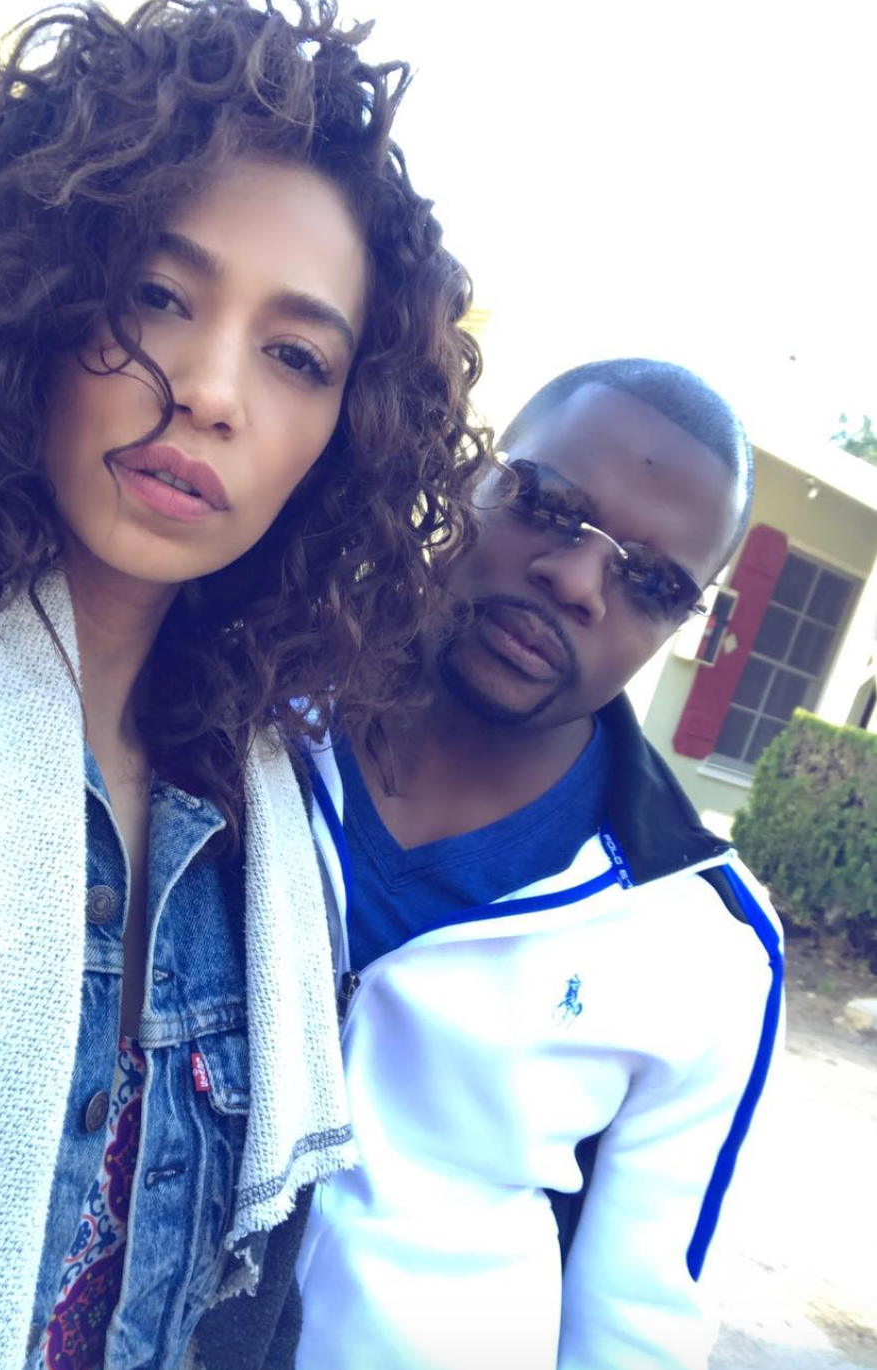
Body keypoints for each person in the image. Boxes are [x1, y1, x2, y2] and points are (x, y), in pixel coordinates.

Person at [0, 4, 488, 1368]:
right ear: (30, 285)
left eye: (295, 356)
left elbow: (245, 1315)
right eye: (159, 294)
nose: (210, 390)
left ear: (345, 436)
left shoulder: (266, 828)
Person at [296, 359, 784, 1370]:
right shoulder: (242, 711)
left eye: (651, 581)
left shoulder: (703, 943)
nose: (576, 579)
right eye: (550, 506)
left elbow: (635, 1322)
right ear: (471, 474)